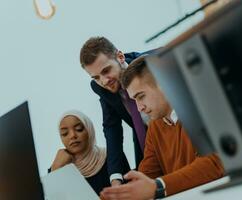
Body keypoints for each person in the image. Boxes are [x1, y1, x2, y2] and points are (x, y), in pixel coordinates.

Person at [100, 55, 225, 200]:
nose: (139, 108)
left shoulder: (200, 108)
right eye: (135, 100)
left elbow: (214, 164)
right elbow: (147, 173)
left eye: (141, 96)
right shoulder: (155, 127)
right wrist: (125, 194)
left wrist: (158, 186)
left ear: (163, 84)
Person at [80, 36, 154, 186]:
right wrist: (115, 179)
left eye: (106, 71)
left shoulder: (151, 63)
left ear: (120, 57)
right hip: (145, 143)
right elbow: (111, 129)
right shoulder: (100, 87)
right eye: (96, 77)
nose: (104, 81)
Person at [50, 110, 110, 195]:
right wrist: (56, 169)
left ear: (89, 130)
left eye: (79, 129)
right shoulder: (58, 167)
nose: (72, 135)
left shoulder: (111, 157)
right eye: (65, 133)